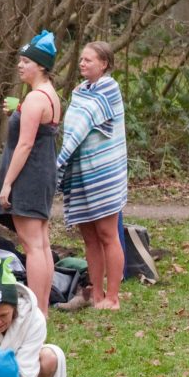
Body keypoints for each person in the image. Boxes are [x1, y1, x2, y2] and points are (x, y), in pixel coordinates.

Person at [0, 30, 64, 308]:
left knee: (33, 246)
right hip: (42, 172)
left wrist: (7, 183)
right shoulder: (48, 95)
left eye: (26, 61)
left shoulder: (36, 99)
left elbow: (24, 145)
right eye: (20, 61)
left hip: (29, 175)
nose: (20, 66)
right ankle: (42, 309)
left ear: (42, 66)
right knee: (41, 244)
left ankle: (37, 311)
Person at [59, 42, 130, 309]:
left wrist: (58, 160)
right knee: (89, 235)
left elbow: (84, 123)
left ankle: (113, 297)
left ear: (104, 64)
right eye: (81, 59)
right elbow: (72, 124)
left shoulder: (108, 89)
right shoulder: (82, 92)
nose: (82, 63)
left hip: (103, 172)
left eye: (89, 60)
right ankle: (96, 294)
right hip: (81, 171)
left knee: (107, 233)